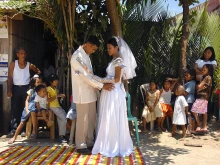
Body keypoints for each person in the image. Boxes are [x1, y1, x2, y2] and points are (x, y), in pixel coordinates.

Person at [91, 37, 136, 157]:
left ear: (116, 47)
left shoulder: (118, 61)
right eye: (107, 48)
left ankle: (113, 145)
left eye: (110, 48)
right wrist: (102, 82)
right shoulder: (113, 60)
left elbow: (116, 79)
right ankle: (107, 143)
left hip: (114, 91)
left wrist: (101, 80)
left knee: (112, 116)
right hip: (109, 90)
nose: (108, 50)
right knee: (107, 117)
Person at [70, 35, 114, 154]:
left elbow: (91, 74)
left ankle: (89, 142)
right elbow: (85, 76)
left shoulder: (86, 56)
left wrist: (101, 81)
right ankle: (80, 144)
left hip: (90, 91)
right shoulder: (77, 57)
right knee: (82, 120)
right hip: (82, 92)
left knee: (91, 118)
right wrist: (101, 85)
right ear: (88, 45)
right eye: (93, 49)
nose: (93, 51)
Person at [7, 47, 41, 137]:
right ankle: (13, 129)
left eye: (24, 53)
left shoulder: (29, 65)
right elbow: (10, 77)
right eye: (21, 53)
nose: (23, 55)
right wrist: (9, 90)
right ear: (17, 54)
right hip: (16, 88)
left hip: (26, 88)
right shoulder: (13, 64)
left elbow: (37, 70)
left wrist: (33, 79)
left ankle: (23, 130)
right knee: (15, 108)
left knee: (25, 109)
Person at [8, 75, 42, 144]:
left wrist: (39, 110)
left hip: (34, 108)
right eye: (38, 82)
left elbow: (39, 102)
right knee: (22, 122)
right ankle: (14, 137)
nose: (39, 84)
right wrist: (26, 109)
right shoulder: (31, 91)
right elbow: (27, 101)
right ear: (34, 83)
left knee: (33, 112)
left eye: (40, 82)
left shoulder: (40, 91)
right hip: (28, 107)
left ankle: (34, 131)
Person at [191, 64, 213, 132]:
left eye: (204, 70)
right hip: (205, 96)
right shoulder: (205, 77)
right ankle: (204, 127)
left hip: (202, 96)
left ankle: (200, 125)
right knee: (204, 112)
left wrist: (198, 85)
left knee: (193, 110)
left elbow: (199, 86)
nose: (202, 71)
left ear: (209, 71)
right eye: (202, 69)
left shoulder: (207, 78)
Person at [47, 74, 67, 143]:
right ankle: (62, 135)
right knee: (64, 119)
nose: (57, 82)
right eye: (55, 81)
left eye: (57, 80)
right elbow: (48, 100)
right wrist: (58, 96)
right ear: (51, 82)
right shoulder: (48, 89)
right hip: (53, 107)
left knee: (61, 119)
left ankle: (62, 135)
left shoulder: (55, 89)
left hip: (57, 106)